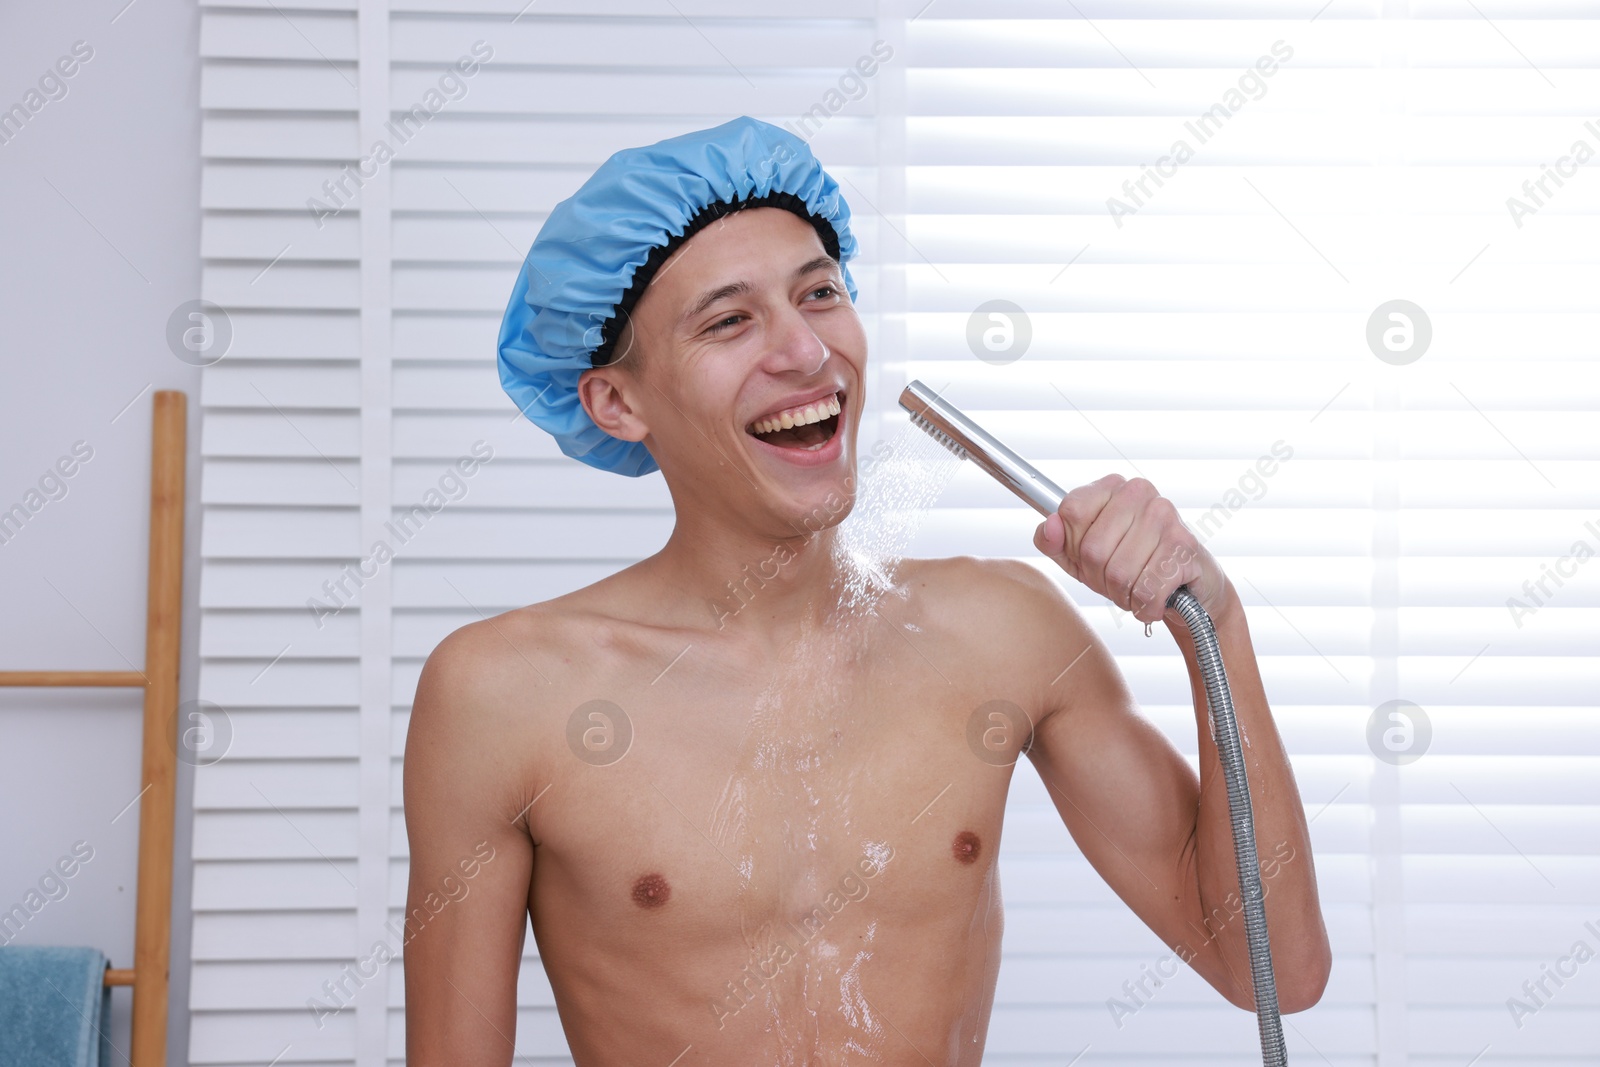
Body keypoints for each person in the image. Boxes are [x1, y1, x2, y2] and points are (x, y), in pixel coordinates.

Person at [402, 116, 1331, 1066]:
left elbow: (1272, 970)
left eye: (820, 293)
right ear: (616, 403)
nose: (805, 351)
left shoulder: (1004, 633)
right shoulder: (503, 694)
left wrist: (1212, 619)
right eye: (729, 319)